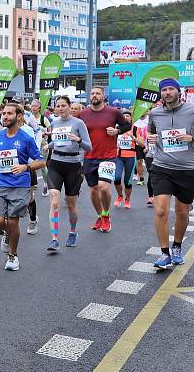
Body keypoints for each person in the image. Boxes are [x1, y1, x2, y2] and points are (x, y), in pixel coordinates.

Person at [0, 103, 45, 271]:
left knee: (13, 223)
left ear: (19, 116)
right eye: (3, 113)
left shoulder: (26, 138)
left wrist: (25, 167)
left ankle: (13, 256)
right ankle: (7, 233)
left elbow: (41, 161)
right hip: (1, 183)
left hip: (20, 185)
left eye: (9, 113)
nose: (5, 116)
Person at [147, 78, 194, 269]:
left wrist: (191, 137)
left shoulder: (191, 110)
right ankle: (164, 253)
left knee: (183, 212)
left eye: (170, 89)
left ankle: (177, 247)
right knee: (160, 210)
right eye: (164, 90)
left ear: (178, 91)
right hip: (161, 167)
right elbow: (151, 134)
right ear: (161, 94)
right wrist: (149, 138)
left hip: (187, 169)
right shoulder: (155, 113)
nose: (167, 93)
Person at [77, 87, 131, 233]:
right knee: (94, 190)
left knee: (104, 187)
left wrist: (117, 131)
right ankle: (100, 216)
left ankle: (106, 215)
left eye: (98, 93)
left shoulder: (113, 112)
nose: (94, 96)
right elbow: (76, 131)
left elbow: (127, 125)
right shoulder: (83, 114)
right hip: (89, 156)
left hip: (108, 155)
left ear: (103, 96)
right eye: (92, 93)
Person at [44, 96, 92, 251]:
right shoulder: (54, 123)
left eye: (63, 105)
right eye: (57, 106)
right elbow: (58, 141)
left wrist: (78, 140)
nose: (60, 108)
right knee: (55, 202)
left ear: (69, 106)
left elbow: (88, 147)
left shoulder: (78, 123)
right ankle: (54, 238)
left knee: (71, 205)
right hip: (56, 164)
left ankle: (72, 231)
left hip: (73, 166)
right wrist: (48, 145)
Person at [114, 111, 137, 209]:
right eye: (123, 116)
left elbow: (142, 143)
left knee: (127, 182)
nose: (125, 117)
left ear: (131, 118)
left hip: (130, 157)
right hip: (118, 156)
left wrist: (134, 137)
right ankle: (120, 195)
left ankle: (127, 199)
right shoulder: (117, 129)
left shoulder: (134, 129)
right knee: (117, 178)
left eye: (127, 116)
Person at [30, 99, 53, 196]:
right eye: (32, 106)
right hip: (31, 144)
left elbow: (51, 131)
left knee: (42, 165)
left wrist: (43, 132)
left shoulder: (44, 119)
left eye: (35, 106)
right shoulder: (27, 118)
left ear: (39, 108)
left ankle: (46, 185)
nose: (33, 108)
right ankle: (32, 184)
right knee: (30, 164)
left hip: (43, 144)